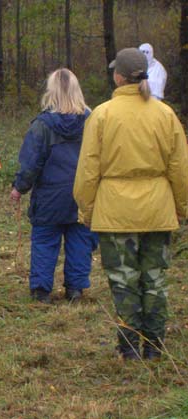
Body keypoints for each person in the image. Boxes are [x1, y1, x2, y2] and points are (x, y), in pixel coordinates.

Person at [73, 48, 188, 361]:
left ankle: (129, 348)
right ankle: (153, 347)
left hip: (116, 214)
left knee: (123, 282)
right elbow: (180, 168)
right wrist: (182, 206)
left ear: (118, 76)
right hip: (158, 211)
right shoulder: (165, 115)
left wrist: (86, 208)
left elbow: (87, 170)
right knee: (155, 279)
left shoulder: (102, 115)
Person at [10, 68, 98, 305]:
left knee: (44, 241)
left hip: (50, 196)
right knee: (80, 240)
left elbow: (30, 162)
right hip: (83, 194)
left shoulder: (42, 125)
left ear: (51, 92)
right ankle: (76, 290)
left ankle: (40, 292)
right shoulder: (92, 120)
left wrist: (19, 188)